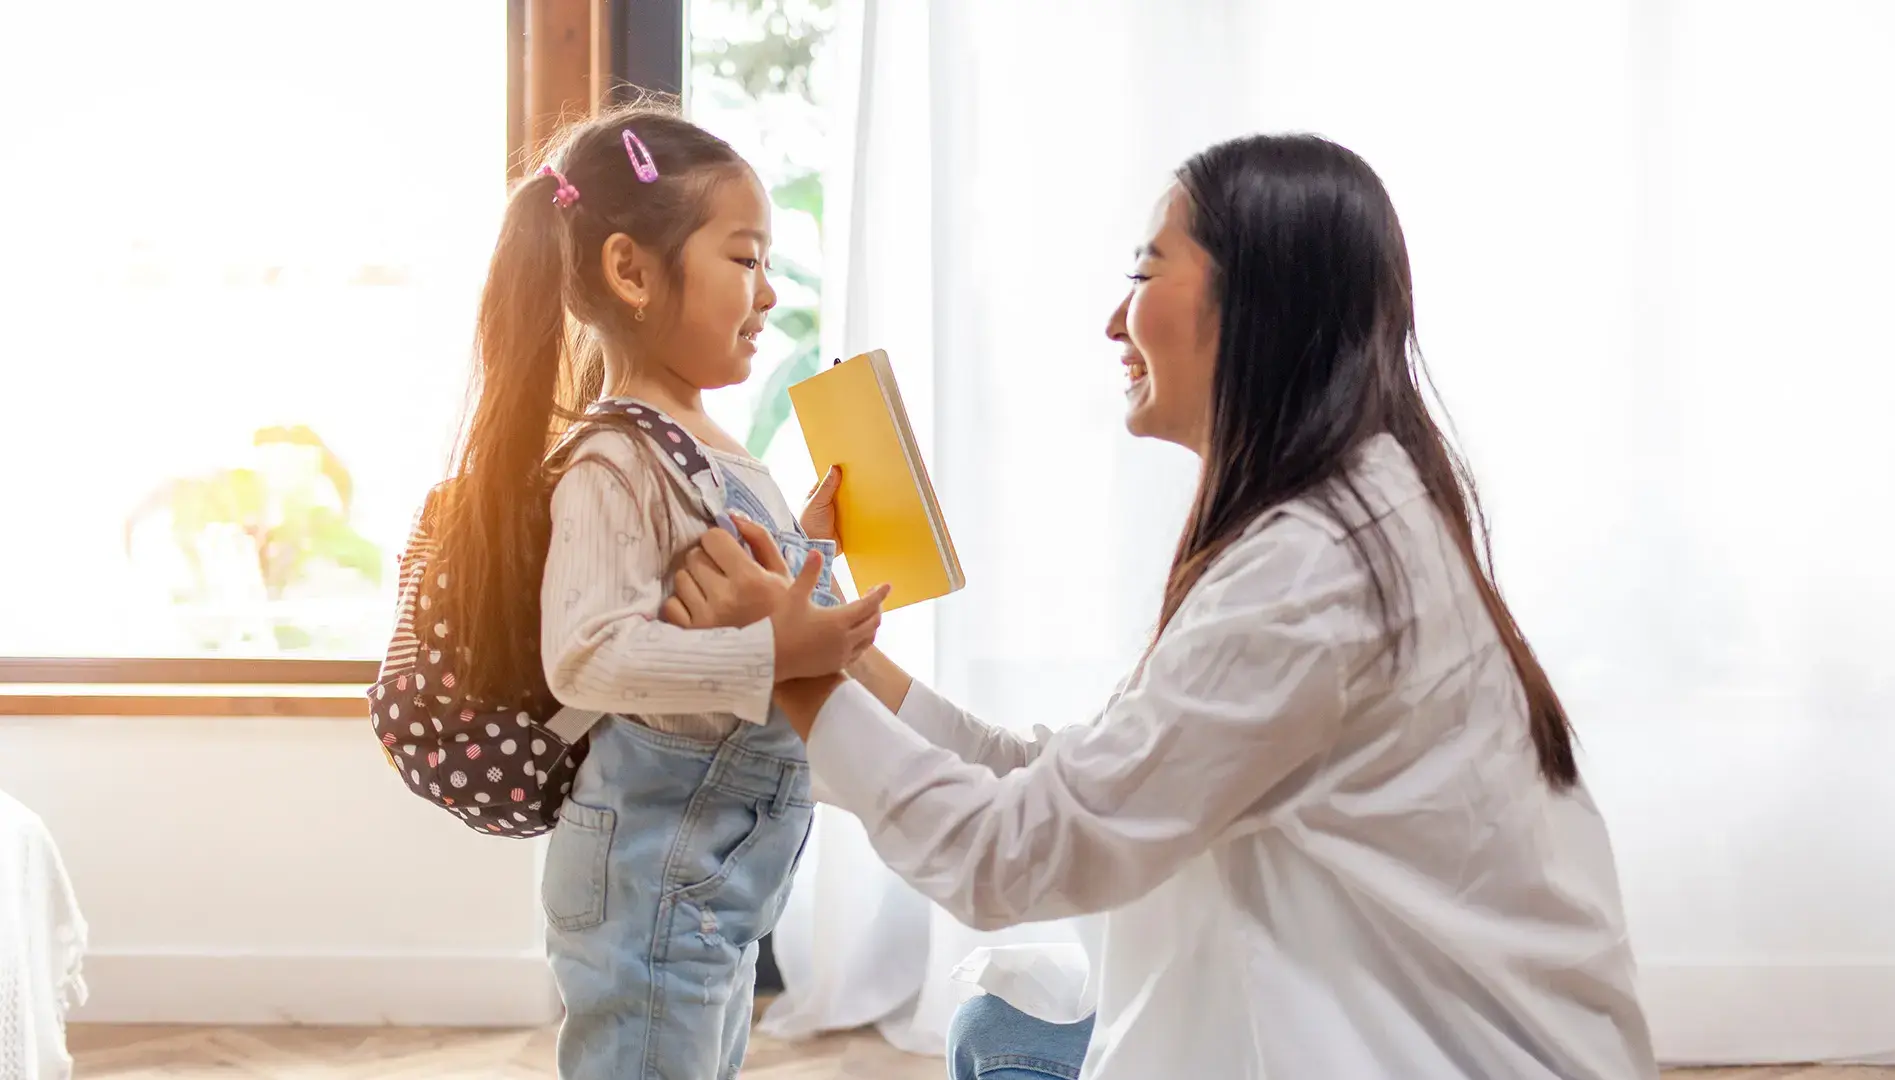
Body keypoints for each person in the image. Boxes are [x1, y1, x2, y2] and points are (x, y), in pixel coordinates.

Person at [663, 133, 1659, 1079]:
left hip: (1435, 1053)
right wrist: (831, 652)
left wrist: (793, 673)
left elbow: (1015, 853)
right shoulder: (1338, 515)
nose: (1112, 321)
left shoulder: (1312, 577)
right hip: (1411, 1024)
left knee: (1005, 1035)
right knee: (1001, 1022)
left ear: (1263, 303)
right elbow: (1076, 779)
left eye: (1143, 275)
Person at [429, 103, 887, 1079]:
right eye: (744, 258)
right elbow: (587, 653)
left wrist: (804, 539)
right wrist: (778, 653)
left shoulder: (699, 445)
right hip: (652, 880)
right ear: (632, 272)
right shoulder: (611, 458)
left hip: (707, 881)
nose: (768, 294)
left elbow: (713, 580)